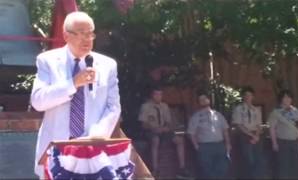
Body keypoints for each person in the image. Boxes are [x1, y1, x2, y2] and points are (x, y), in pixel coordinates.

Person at [30, 12, 121, 178]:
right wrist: (73, 84)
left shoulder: (108, 65)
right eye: (81, 33)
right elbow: (38, 101)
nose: (87, 39)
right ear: (66, 36)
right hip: (56, 152)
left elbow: (113, 106)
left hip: (93, 151)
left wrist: (96, 136)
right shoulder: (47, 61)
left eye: (90, 33)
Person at [138, 86, 187, 178]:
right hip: (151, 131)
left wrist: (166, 128)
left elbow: (168, 122)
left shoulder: (164, 106)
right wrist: (154, 128)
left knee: (179, 140)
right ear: (152, 95)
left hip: (164, 131)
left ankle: (182, 168)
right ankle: (155, 169)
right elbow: (143, 124)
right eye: (156, 94)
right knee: (155, 140)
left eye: (160, 94)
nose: (158, 96)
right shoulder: (146, 106)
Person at [188, 93, 232, 179]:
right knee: (207, 171)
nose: (203, 101)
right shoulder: (196, 117)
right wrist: (197, 147)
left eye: (205, 99)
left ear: (209, 100)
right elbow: (191, 133)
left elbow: (225, 130)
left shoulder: (218, 115)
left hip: (219, 145)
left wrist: (228, 143)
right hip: (205, 147)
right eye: (201, 100)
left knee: (222, 168)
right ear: (198, 103)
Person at [268, 89, 298, 179]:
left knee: (295, 166)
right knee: (284, 167)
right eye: (285, 97)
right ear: (281, 99)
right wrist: (274, 143)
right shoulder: (276, 112)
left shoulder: (295, 110)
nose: (287, 99)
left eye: (289, 97)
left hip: (296, 142)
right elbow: (272, 128)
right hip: (283, 143)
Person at [232, 86, 264, 178]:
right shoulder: (238, 109)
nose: (248, 97)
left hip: (256, 136)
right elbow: (239, 125)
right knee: (247, 160)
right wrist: (251, 135)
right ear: (243, 97)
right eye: (245, 95)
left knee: (258, 159)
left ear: (253, 96)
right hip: (244, 135)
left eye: (250, 95)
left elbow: (259, 124)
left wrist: (256, 135)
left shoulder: (256, 109)